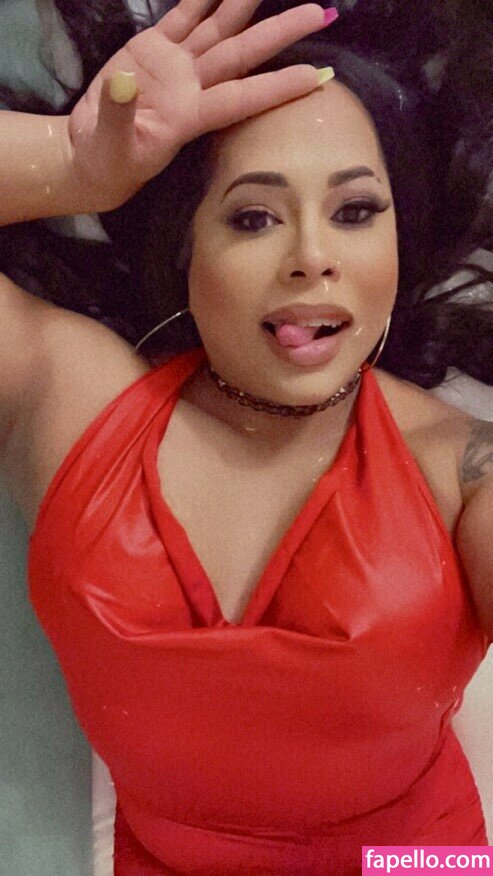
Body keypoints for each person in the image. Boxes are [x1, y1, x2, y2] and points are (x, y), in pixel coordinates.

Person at [0, 0, 492, 872]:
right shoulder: (69, 404)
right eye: (253, 217)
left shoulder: (463, 471)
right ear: (184, 247)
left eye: (354, 212)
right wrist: (70, 165)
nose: (312, 256)